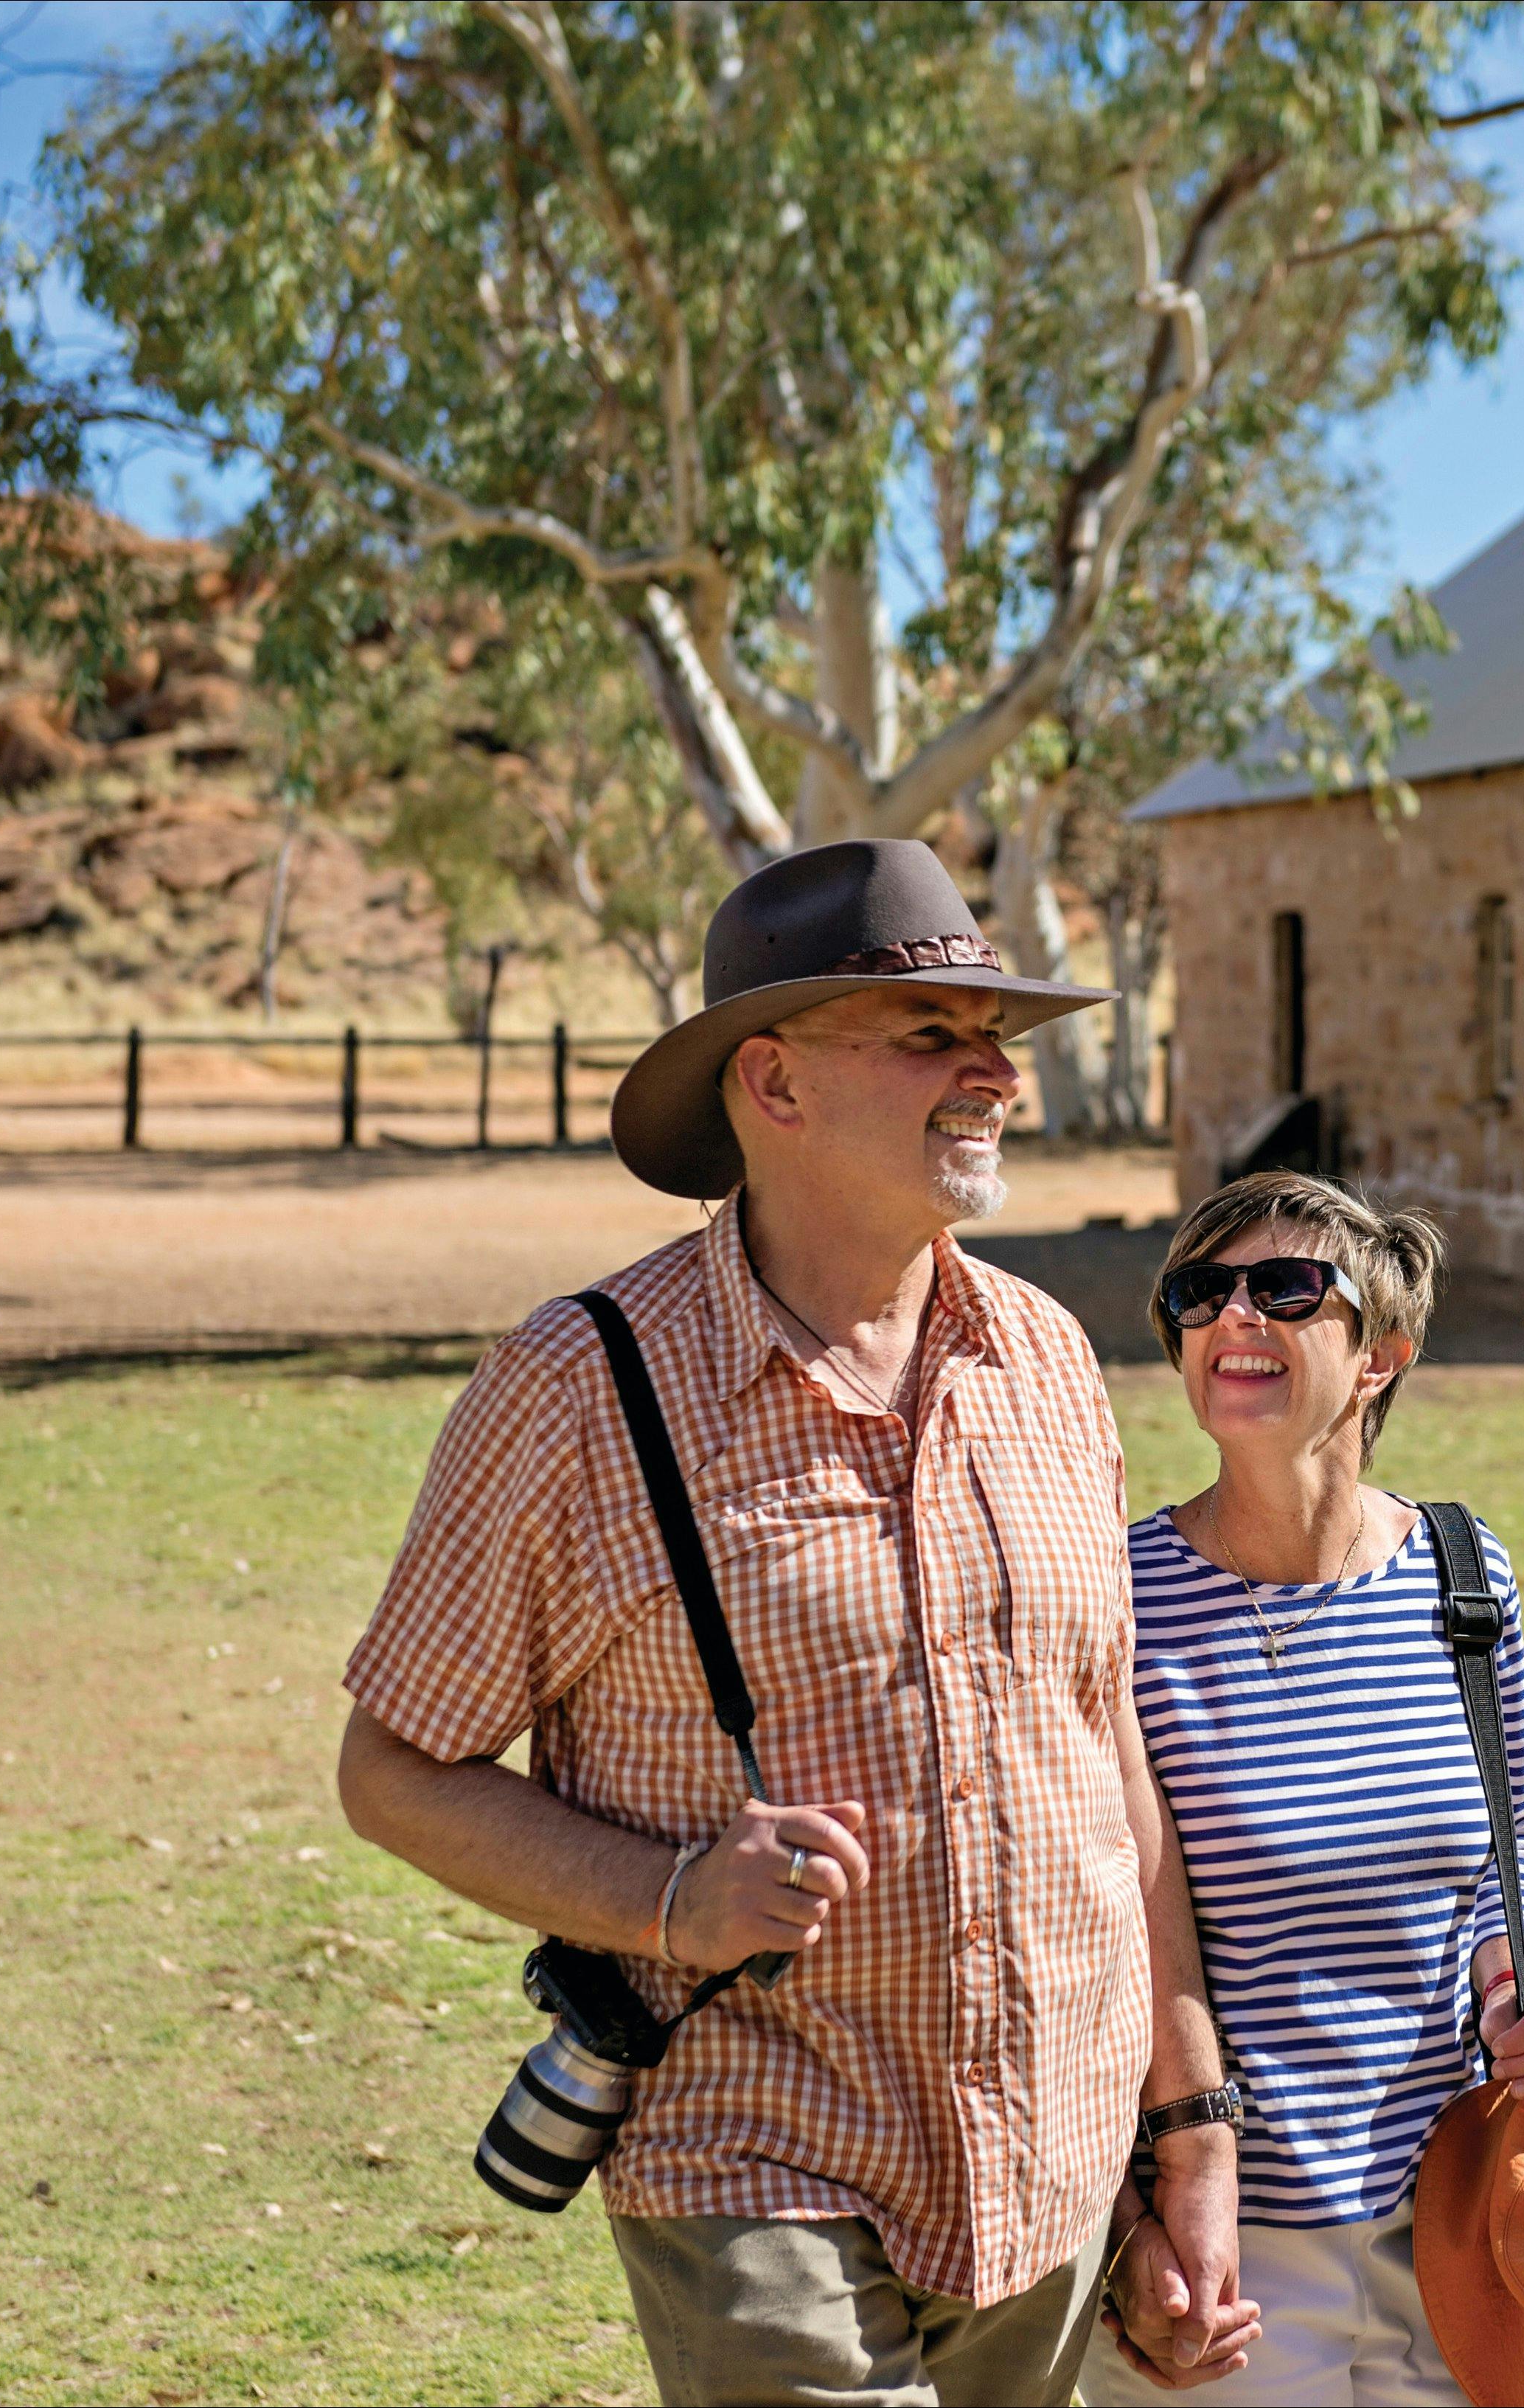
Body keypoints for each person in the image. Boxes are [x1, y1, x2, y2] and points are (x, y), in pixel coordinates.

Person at [334, 840, 1247, 2408]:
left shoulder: (1042, 1353)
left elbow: (1109, 1752)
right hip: (759, 2146)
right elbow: (394, 1768)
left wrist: (1187, 2128)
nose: (990, 1077)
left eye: (996, 1039)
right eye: (929, 1036)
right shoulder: (578, 1388)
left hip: (1052, 2152)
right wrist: (673, 1896)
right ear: (773, 1082)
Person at [1086, 1170, 1524, 2407]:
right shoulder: (1115, 1596)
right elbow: (1094, 1927)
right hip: (1230, 2250)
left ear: (1380, 1354)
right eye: (1199, 1295)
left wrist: (1511, 1969)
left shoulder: (1465, 1572)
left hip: (1461, 2211)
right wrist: (1127, 2225)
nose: (1233, 1318)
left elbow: (1514, 1825)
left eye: (1285, 1289)